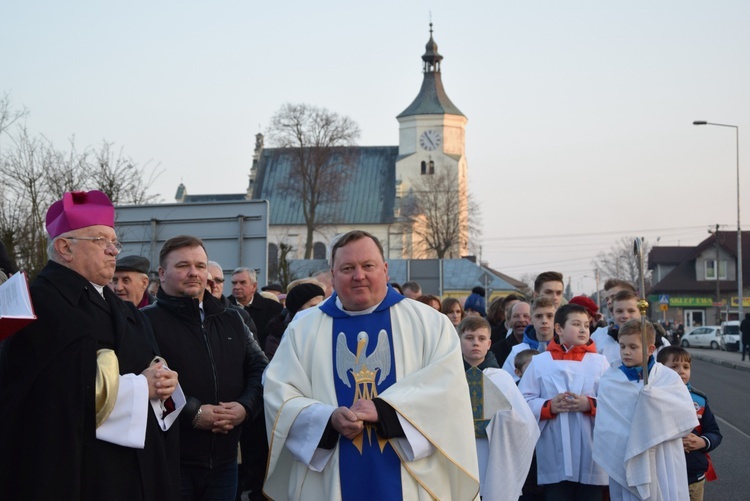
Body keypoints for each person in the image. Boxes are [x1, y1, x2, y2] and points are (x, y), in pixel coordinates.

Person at [264, 230, 480, 500]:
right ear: (332, 275)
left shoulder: (429, 323)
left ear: (385, 270)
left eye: (368, 266)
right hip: (330, 477)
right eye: (347, 268)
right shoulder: (303, 328)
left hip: (410, 477)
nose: (359, 275)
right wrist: (327, 419)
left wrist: (385, 412)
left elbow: (448, 393)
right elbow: (279, 395)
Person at [0, 190, 182, 501]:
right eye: (101, 241)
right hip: (81, 473)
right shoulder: (39, 304)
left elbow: (148, 361)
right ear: (64, 247)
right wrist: (140, 389)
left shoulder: (123, 307)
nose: (113, 251)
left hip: (136, 469)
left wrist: (167, 381)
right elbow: (43, 396)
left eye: (114, 242)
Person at [141, 236, 268, 501]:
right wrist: (194, 413)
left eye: (200, 266)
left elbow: (262, 370)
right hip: (172, 461)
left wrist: (245, 407)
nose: (193, 273)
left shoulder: (232, 318)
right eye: (183, 266)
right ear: (162, 274)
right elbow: (147, 384)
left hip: (226, 463)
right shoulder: (144, 322)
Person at [594, 321, 697, 501]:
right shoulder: (610, 380)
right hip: (625, 452)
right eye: (622, 346)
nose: (626, 351)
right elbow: (606, 424)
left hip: (662, 453)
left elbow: (684, 414)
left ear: (650, 349)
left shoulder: (667, 377)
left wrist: (653, 401)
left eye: (633, 347)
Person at [518, 303, 610, 500]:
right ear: (558, 329)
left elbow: (615, 403)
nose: (584, 329)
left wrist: (590, 404)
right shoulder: (540, 362)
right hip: (554, 450)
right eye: (576, 324)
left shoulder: (600, 363)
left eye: (586, 324)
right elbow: (522, 402)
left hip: (590, 451)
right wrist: (548, 406)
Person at [459, 316, 539, 500]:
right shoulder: (450, 377)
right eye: (469, 338)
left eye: (481, 339)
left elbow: (525, 425)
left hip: (491, 450)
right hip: (460, 450)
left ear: (489, 344)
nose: (475, 343)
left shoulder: (502, 379)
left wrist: (500, 419)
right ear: (459, 341)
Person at [658, 346, 722, 501]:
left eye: (686, 367)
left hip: (693, 476)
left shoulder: (699, 400)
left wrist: (702, 442)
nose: (681, 371)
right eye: (674, 367)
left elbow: (714, 433)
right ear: (660, 369)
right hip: (664, 475)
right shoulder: (654, 397)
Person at [264, 282, 326, 359]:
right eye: (313, 306)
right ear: (298, 309)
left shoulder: (327, 328)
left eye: (322, 305)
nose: (319, 310)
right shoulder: (278, 336)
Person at [502, 296, 556, 382]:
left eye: (550, 316)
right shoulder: (517, 351)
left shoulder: (565, 349)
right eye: (538, 316)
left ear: (556, 319)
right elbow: (506, 383)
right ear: (531, 320)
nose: (544, 321)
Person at [229, 266, 283, 350]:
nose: (237, 287)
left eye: (242, 283)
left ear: (254, 286)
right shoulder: (222, 307)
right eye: (234, 283)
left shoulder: (274, 308)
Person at [207, 260, 258, 335]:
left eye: (218, 280)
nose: (214, 285)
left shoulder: (241, 315)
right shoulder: (188, 314)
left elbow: (251, 346)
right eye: (208, 281)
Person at [493, 300, 530, 366]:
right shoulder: (497, 350)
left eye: (526, 316)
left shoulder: (540, 347)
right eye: (516, 316)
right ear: (508, 321)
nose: (521, 320)